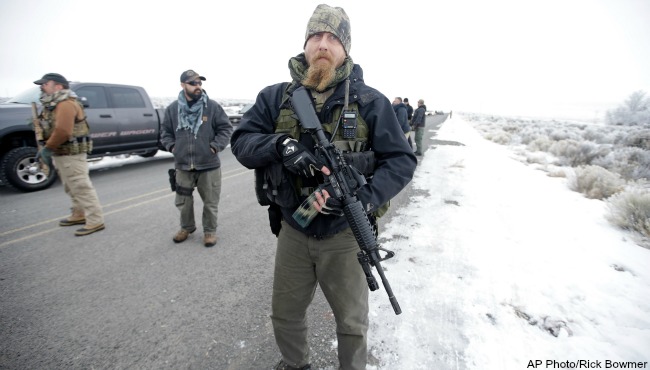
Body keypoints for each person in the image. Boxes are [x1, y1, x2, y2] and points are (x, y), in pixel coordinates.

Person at [230, 4, 416, 370]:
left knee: (351, 324)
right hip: (294, 231)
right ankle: (295, 364)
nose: (323, 44)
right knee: (284, 314)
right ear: (305, 45)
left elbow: (402, 161)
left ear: (345, 49)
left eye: (333, 38)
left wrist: (363, 198)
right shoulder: (275, 97)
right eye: (316, 36)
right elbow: (242, 141)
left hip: (345, 235)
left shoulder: (370, 102)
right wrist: (279, 146)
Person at [160, 70, 233, 247]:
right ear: (183, 85)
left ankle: (209, 231)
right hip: (183, 165)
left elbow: (226, 129)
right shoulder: (172, 110)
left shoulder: (212, 107)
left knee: (210, 202)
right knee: (183, 201)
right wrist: (173, 147)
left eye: (200, 83)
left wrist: (214, 146)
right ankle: (187, 227)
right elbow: (165, 133)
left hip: (209, 164)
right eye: (193, 83)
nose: (198, 86)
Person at [33, 73, 105, 237]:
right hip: (62, 152)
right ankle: (79, 213)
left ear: (58, 86)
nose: (42, 87)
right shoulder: (53, 104)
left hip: (70, 153)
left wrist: (48, 147)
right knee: (70, 185)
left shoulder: (65, 104)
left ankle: (95, 220)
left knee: (80, 186)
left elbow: (63, 131)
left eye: (45, 84)